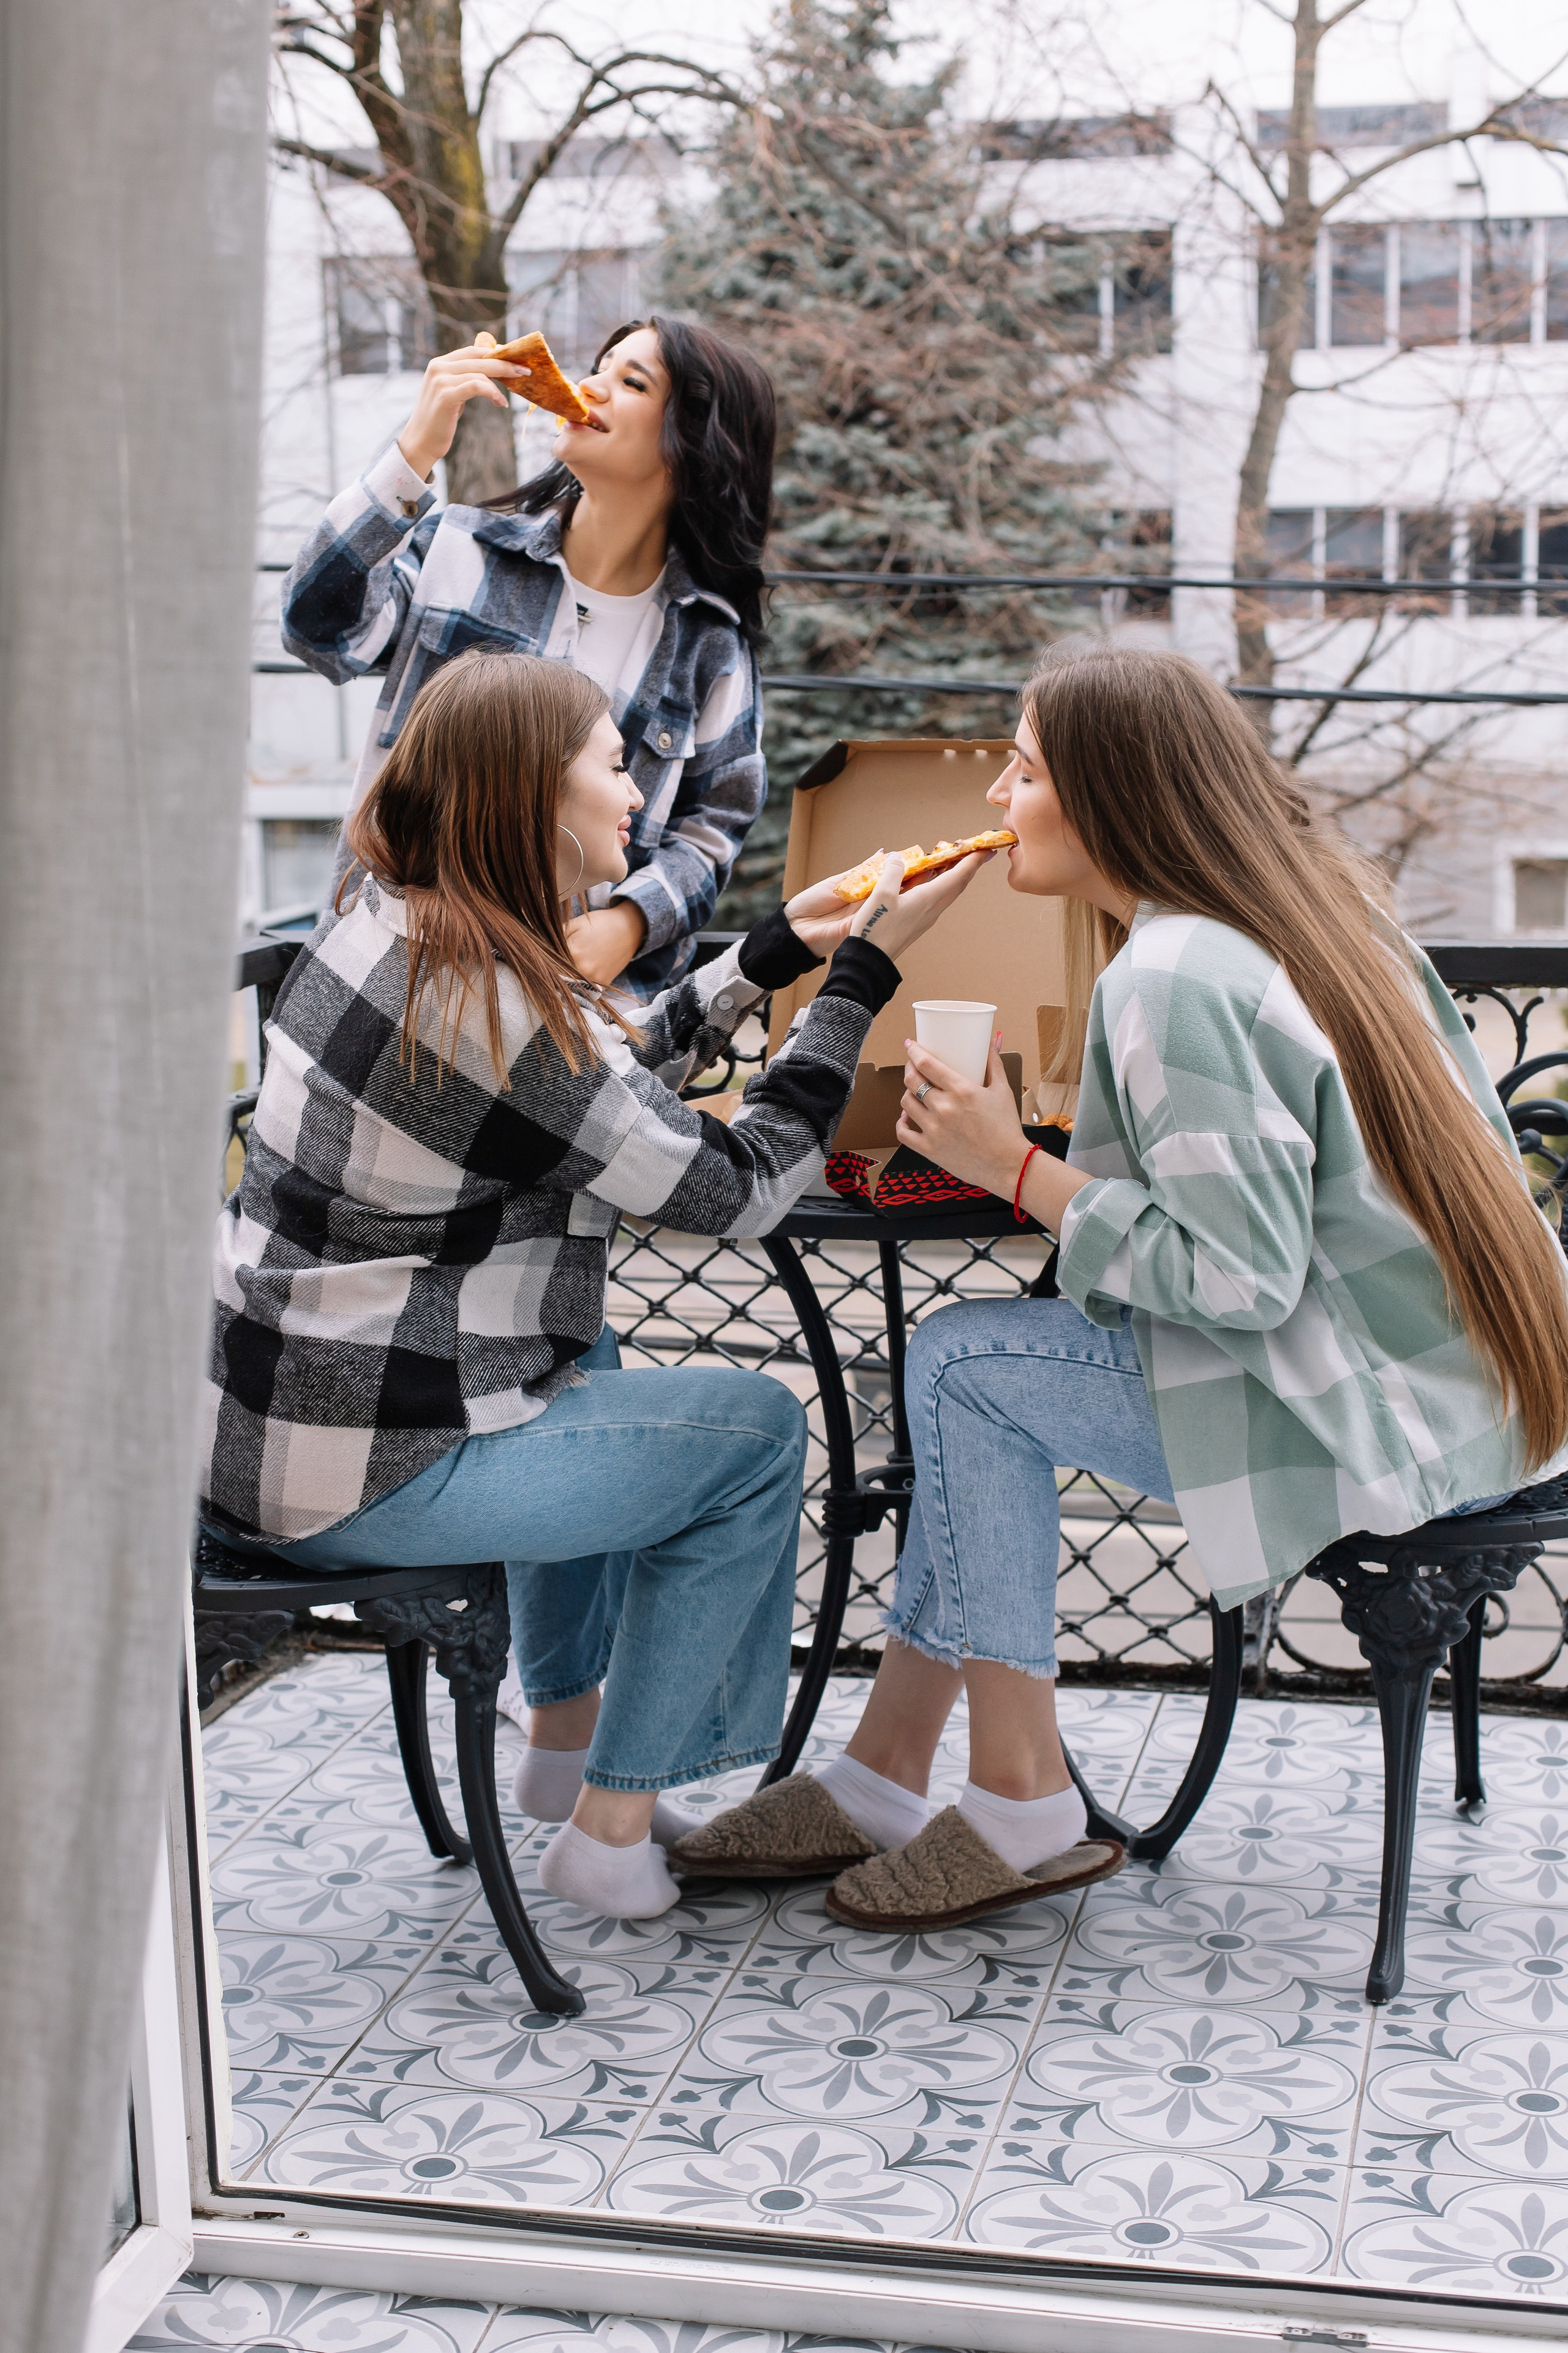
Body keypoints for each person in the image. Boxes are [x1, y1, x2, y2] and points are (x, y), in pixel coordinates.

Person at [671, 643, 1568, 1932]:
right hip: (1468, 1386)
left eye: (1022, 771)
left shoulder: (1172, 977)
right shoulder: (1312, 909)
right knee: (979, 1373)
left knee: (966, 1368)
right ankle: (877, 1776)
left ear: (1106, 794)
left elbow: (1236, 1278)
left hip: (1372, 1420)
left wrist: (1003, 1165)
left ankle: (1017, 1798)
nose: (993, 801)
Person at [200, 649, 991, 1921]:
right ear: (532, 793)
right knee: (750, 1436)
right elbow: (734, 1191)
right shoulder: (486, 998)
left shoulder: (393, 922)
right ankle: (609, 1833)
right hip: (363, 1469)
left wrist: (776, 949)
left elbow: (589, 1073)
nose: (636, 796)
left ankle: (564, 1755)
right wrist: (858, 984)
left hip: (279, 1430)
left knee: (582, 1358)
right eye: (613, 766)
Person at [281, 312, 776, 999]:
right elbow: (317, 631)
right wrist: (414, 453)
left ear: (693, 443)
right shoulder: (461, 549)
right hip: (385, 979)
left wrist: (632, 922)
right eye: (596, 369)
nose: (590, 387)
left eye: (630, 382)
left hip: (562, 1010)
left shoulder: (708, 644)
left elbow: (715, 827)